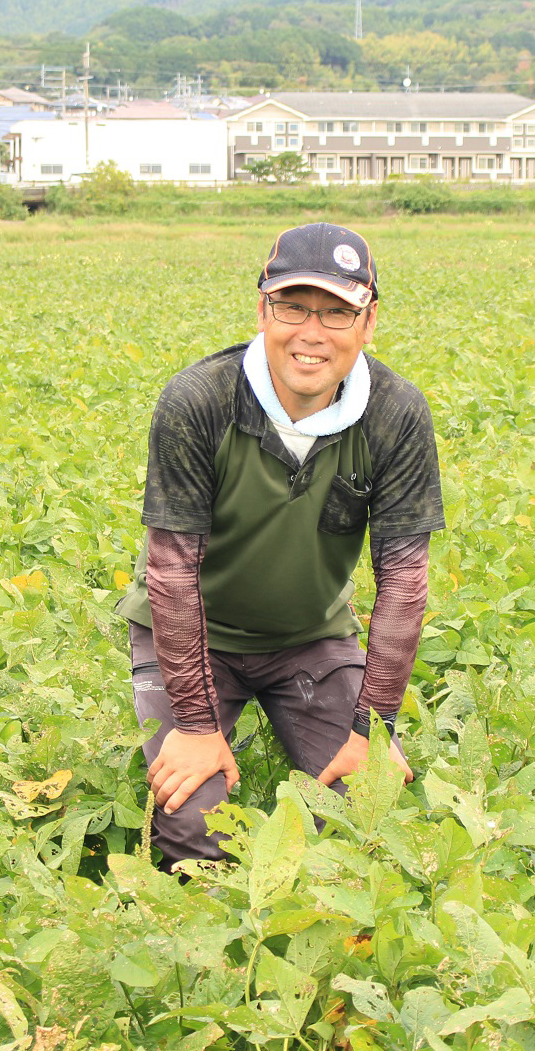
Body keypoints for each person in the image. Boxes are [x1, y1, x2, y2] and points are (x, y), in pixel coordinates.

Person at [117, 222, 444, 869]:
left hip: (308, 636)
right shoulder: (199, 400)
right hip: (192, 634)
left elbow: (404, 580)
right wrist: (196, 724)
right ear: (262, 309)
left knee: (367, 806)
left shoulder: (396, 414)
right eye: (292, 306)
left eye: (335, 310)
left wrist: (369, 731)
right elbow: (171, 571)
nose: (311, 331)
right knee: (191, 832)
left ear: (368, 320)